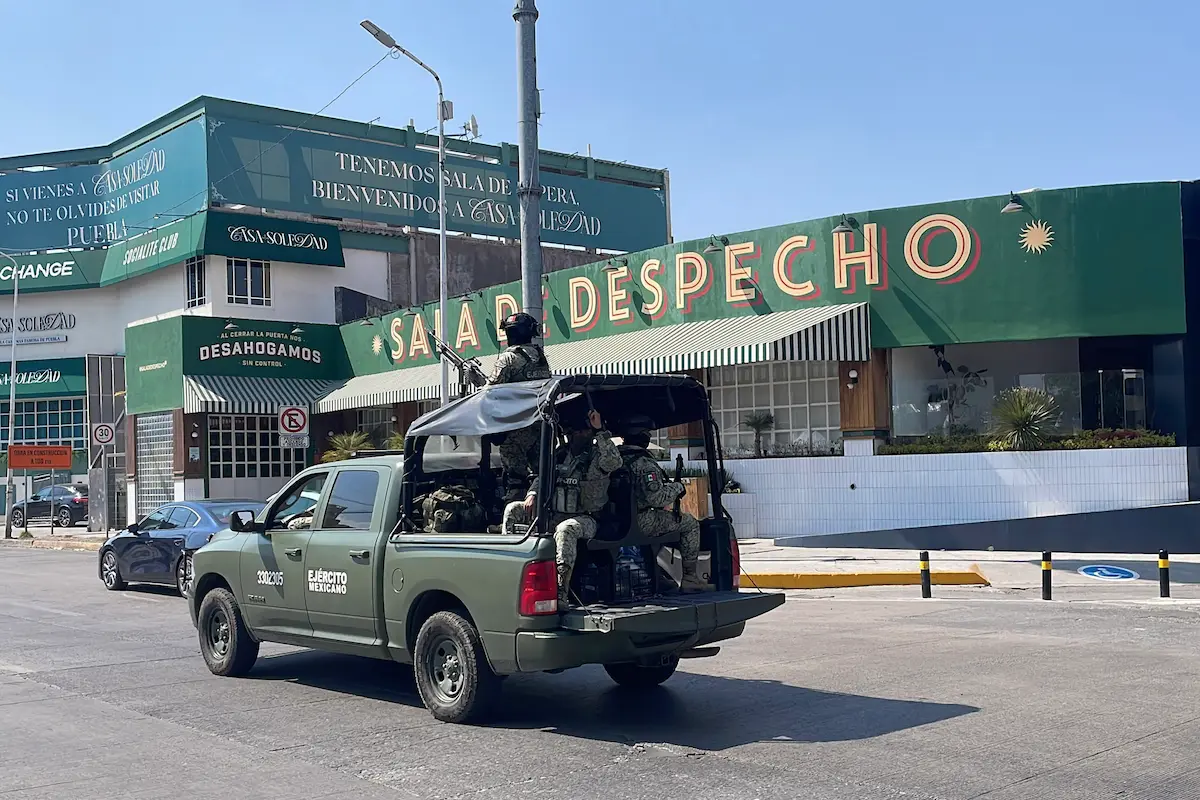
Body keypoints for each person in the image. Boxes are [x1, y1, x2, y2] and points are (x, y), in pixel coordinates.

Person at [502, 408, 621, 607]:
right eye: (574, 432)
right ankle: (508, 576)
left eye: (583, 431)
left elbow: (614, 462)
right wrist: (532, 493)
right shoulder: (560, 455)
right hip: (555, 513)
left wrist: (600, 431)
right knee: (513, 510)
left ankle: (560, 593)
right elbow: (543, 476)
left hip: (587, 519)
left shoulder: (598, 456)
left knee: (566, 530)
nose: (577, 435)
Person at [616, 415, 713, 593]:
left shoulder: (614, 461)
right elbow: (657, 498)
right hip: (640, 520)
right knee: (689, 523)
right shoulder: (644, 463)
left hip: (614, 520)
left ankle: (654, 574)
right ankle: (690, 578)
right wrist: (677, 487)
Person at [489, 312, 552, 501]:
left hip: (515, 428)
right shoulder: (541, 357)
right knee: (541, 476)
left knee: (516, 479)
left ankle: (514, 517)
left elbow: (490, 391)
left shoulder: (508, 359)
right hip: (539, 426)